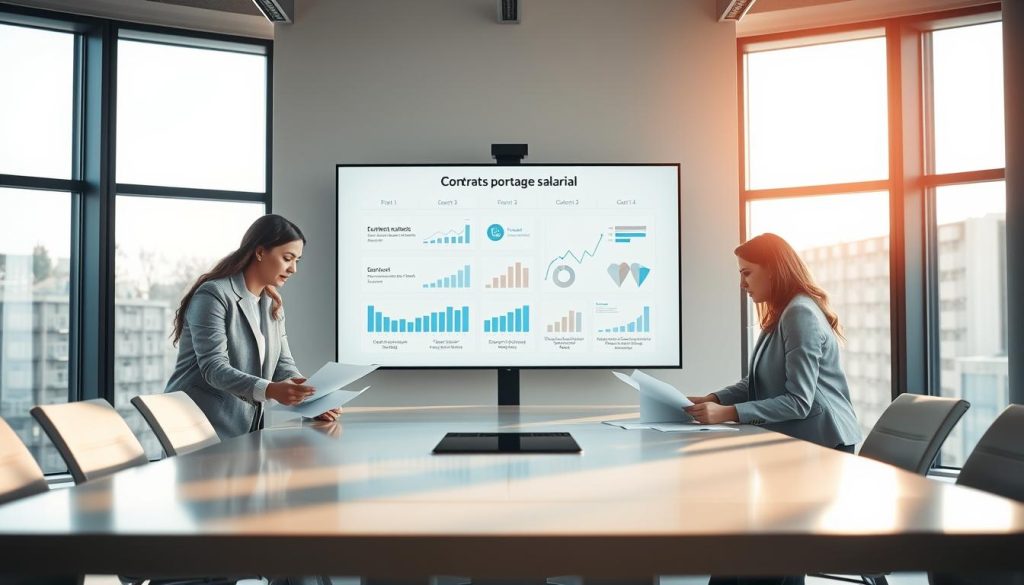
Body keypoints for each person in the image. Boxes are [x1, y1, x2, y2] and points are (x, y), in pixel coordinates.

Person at [687, 233, 863, 585]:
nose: (742, 284)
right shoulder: (783, 312)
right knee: (739, 544)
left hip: (822, 450)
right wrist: (714, 399)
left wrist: (729, 414)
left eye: (747, 273)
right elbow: (756, 382)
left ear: (775, 271)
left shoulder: (800, 314)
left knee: (758, 548)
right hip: (798, 447)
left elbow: (799, 401)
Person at [166, 214, 341, 439]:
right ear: (260, 252)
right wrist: (270, 389)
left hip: (241, 431)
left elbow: (283, 365)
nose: (293, 269)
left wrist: (311, 398)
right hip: (198, 427)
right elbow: (214, 368)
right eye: (288, 258)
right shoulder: (214, 295)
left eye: (297, 260)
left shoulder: (272, 303)